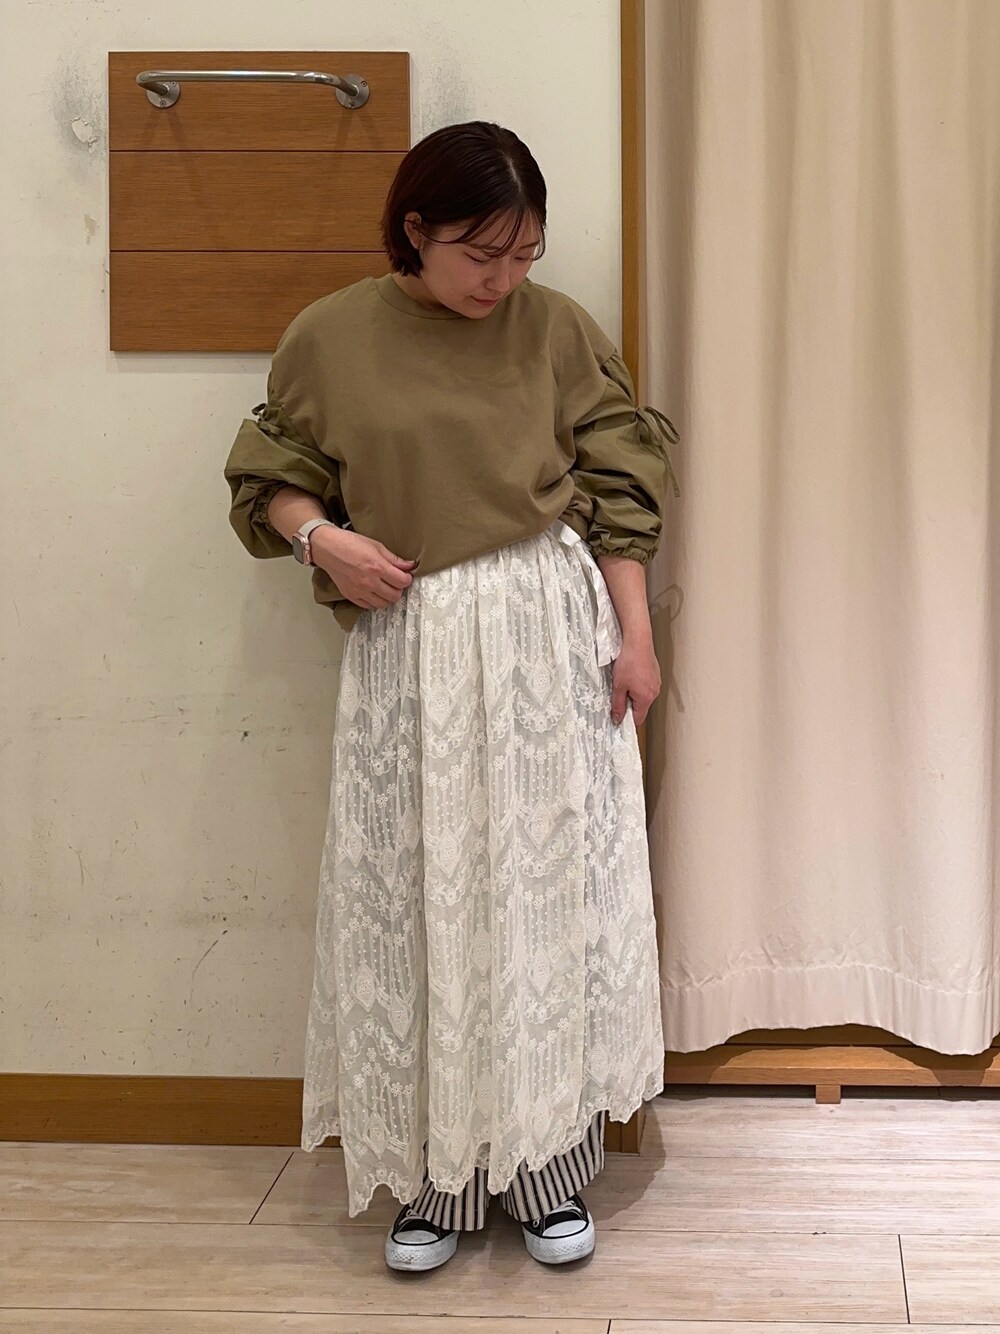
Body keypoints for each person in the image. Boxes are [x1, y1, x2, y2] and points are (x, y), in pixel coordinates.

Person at [224, 120, 679, 1272]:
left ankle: (550, 1166)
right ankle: (440, 1179)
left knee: (544, 894)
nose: (503, 279)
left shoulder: (556, 329)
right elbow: (272, 476)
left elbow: (618, 483)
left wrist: (634, 637)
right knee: (419, 893)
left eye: (524, 253)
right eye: (482, 253)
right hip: (412, 638)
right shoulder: (331, 337)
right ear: (415, 229)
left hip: (545, 631)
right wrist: (323, 540)